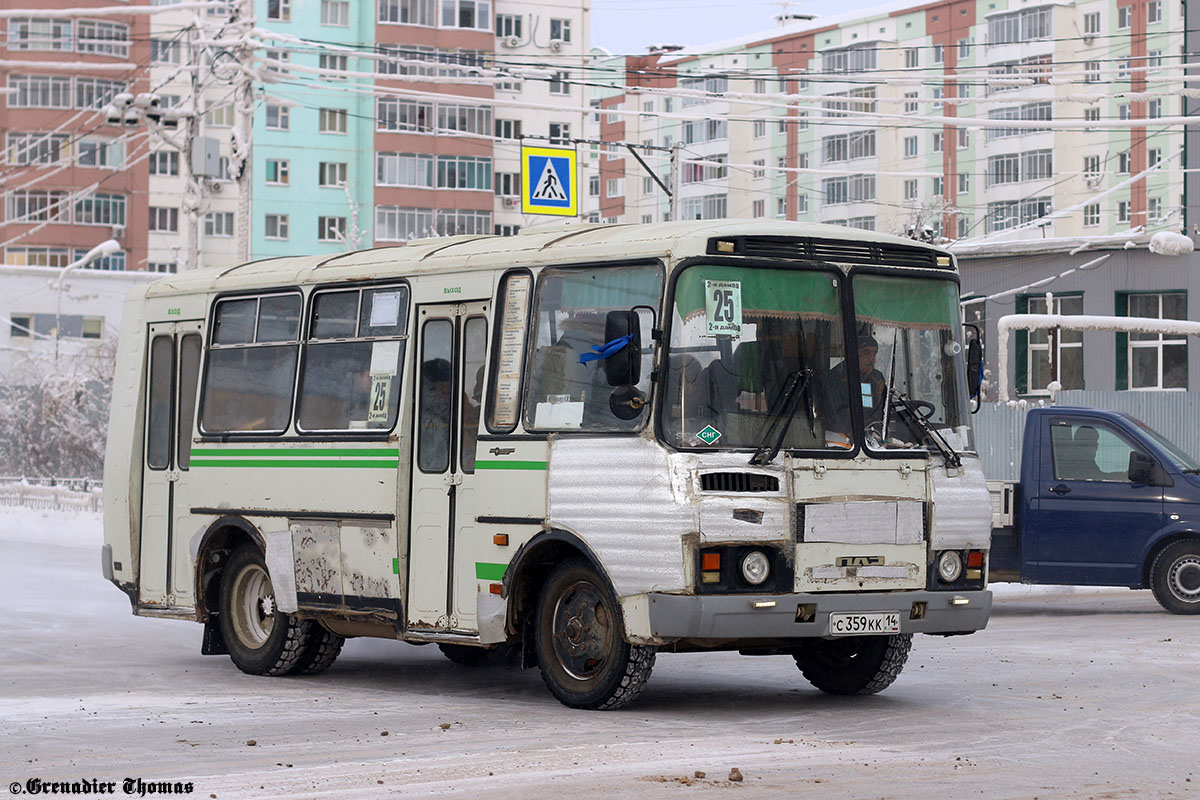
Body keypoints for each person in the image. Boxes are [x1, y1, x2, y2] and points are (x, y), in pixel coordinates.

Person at [821, 334, 887, 439]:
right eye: (866, 353)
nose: (872, 359)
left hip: (871, 438)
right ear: (852, 354)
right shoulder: (834, 378)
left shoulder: (876, 378)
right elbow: (837, 418)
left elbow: (882, 411)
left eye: (874, 353)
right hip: (842, 441)